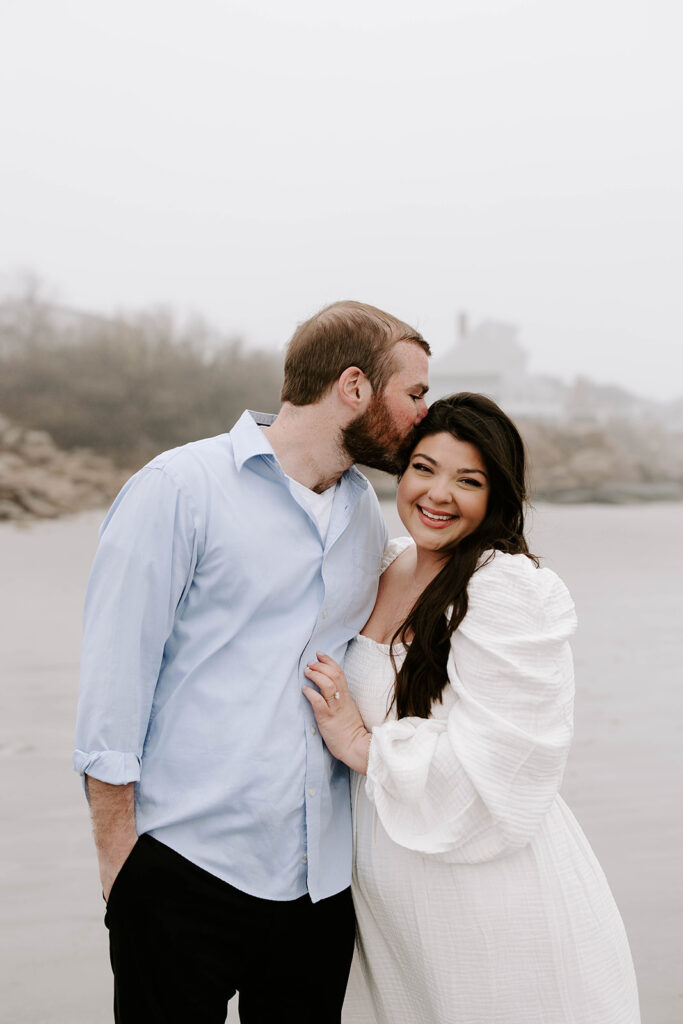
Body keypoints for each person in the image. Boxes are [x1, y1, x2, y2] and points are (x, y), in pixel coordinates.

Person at [73, 299, 431, 1024]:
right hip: (181, 869)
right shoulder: (179, 488)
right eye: (416, 393)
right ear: (354, 387)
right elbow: (113, 685)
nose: (426, 413)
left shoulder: (364, 512)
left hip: (317, 888)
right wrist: (121, 869)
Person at [304, 393, 641, 1024]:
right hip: (395, 895)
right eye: (424, 468)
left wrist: (360, 743)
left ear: (497, 497)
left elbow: (508, 766)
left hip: (486, 893)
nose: (438, 494)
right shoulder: (385, 562)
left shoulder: (502, 588)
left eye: (469, 480)